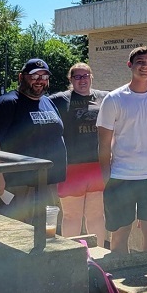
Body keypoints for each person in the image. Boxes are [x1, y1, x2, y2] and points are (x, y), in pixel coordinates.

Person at [97, 47, 147, 257]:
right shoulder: (114, 99)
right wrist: (106, 177)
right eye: (140, 62)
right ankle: (120, 283)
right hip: (121, 177)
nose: (144, 66)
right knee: (120, 234)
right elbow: (104, 144)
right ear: (130, 65)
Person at [0, 58, 66, 224]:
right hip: (15, 184)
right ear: (21, 77)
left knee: (47, 233)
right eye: (34, 75)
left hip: (46, 182)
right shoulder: (7, 103)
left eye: (44, 76)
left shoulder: (48, 102)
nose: (40, 80)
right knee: (16, 232)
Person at [49, 63, 108, 245]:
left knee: (97, 215)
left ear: (92, 76)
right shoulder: (58, 100)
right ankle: (72, 258)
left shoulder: (104, 98)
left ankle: (98, 257)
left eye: (85, 76)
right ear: (71, 79)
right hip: (71, 167)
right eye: (77, 77)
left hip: (98, 165)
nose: (82, 80)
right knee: (71, 216)